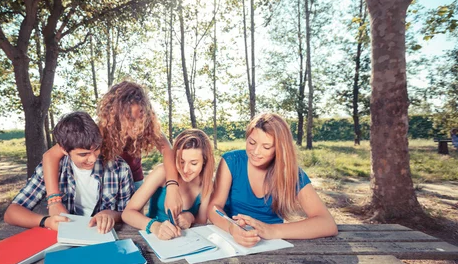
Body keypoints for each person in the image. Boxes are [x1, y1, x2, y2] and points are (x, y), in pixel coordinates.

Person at [42, 81, 185, 217]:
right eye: (130, 118)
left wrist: (172, 186)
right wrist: (54, 200)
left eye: (141, 115)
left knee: (134, 221)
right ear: (116, 115)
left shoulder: (149, 127)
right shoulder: (100, 130)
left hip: (134, 180)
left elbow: (168, 152)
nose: (137, 124)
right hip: (110, 183)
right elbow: (50, 156)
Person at [208, 113, 338, 247]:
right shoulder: (232, 161)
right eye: (252, 142)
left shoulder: (292, 173)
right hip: (233, 241)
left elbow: (327, 223)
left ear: (279, 149)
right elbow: (214, 208)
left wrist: (271, 230)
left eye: (266, 147)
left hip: (272, 245)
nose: (256, 152)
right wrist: (232, 227)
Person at [4, 111, 134, 234]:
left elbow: (128, 213)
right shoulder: (54, 170)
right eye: (83, 154)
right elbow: (11, 213)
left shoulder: (119, 169)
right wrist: (46, 221)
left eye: (97, 149)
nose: (93, 158)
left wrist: (111, 215)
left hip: (102, 236)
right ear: (64, 150)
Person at [122, 129, 215, 240]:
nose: (185, 169)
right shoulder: (162, 172)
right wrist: (156, 227)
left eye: (194, 163)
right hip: (152, 237)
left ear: (204, 161)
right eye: (181, 161)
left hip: (184, 242)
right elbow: (127, 214)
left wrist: (191, 218)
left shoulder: (207, 185)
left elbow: (201, 222)